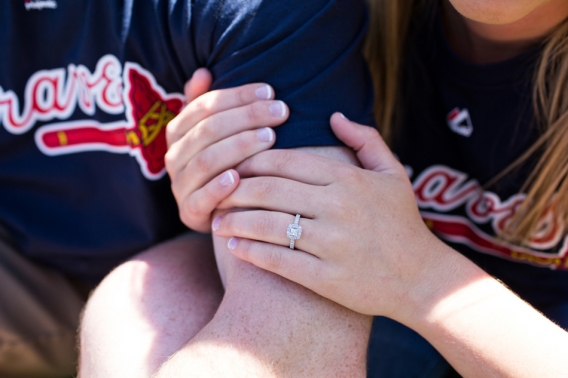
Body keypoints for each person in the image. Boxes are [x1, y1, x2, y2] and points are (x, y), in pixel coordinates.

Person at [166, 0, 568, 376]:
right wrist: (221, 187)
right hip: (389, 314)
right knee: (149, 288)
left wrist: (420, 275)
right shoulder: (329, 18)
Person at [0, 0, 377, 377]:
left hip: (188, 270)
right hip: (24, 263)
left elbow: (291, 336)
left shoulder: (257, 11)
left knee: (132, 321)